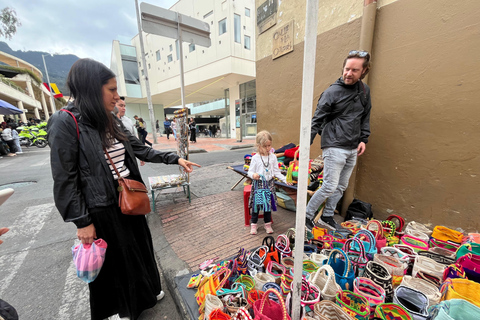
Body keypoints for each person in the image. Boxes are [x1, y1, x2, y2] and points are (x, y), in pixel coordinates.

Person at [47, 58, 201, 320]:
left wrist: (174, 158)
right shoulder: (65, 121)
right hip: (102, 208)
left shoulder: (110, 120)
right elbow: (65, 179)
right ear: (90, 89)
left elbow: (140, 149)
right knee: (117, 264)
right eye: (111, 90)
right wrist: (82, 221)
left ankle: (144, 297)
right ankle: (122, 310)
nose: (117, 97)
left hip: (130, 197)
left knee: (139, 250)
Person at [305, 50, 372, 230]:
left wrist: (363, 139)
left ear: (364, 71)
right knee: (329, 186)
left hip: (353, 147)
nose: (349, 73)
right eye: (347, 69)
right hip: (334, 145)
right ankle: (307, 216)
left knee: (341, 186)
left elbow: (365, 117)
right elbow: (316, 120)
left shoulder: (365, 91)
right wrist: (305, 145)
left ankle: (327, 216)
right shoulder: (331, 92)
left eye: (354, 70)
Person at [247, 130, 292, 235]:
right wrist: (253, 175)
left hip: (269, 185)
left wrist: (285, 180)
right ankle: (254, 224)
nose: (268, 148)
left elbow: (276, 172)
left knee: (267, 206)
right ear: (259, 146)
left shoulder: (273, 157)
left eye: (269, 146)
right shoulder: (255, 158)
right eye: (265, 146)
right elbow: (250, 171)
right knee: (256, 206)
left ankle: (267, 224)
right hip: (258, 185)